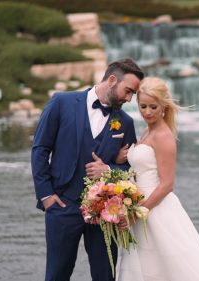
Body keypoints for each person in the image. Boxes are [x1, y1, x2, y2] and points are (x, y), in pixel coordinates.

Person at [31, 58, 144, 281]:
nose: (129, 99)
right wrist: (46, 196)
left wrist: (108, 168)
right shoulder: (61, 103)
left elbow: (130, 167)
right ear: (112, 80)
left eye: (133, 94)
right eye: (128, 91)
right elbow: (40, 149)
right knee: (56, 275)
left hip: (105, 213)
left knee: (105, 276)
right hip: (62, 205)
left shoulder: (126, 123)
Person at [114, 77, 199, 281]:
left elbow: (167, 184)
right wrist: (124, 157)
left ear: (164, 105)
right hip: (140, 206)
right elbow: (144, 166)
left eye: (153, 107)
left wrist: (138, 213)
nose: (147, 112)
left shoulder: (163, 135)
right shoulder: (149, 130)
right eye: (143, 106)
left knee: (166, 269)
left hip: (155, 209)